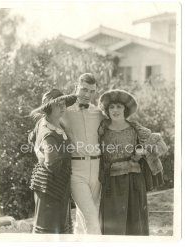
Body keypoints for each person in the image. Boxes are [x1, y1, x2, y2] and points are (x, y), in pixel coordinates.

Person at [97, 89, 168, 235]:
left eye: (119, 106)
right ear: (107, 109)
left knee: (135, 225)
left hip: (134, 182)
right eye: (111, 107)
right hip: (111, 183)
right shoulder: (101, 129)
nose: (115, 110)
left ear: (125, 109)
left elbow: (162, 147)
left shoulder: (136, 129)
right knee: (112, 226)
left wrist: (143, 151)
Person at [60, 73, 104, 234]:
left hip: (97, 168)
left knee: (85, 215)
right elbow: (45, 124)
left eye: (92, 91)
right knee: (92, 218)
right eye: (84, 89)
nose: (87, 94)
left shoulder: (99, 113)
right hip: (77, 169)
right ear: (76, 87)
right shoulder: (64, 112)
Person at [28, 89, 76, 234]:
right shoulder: (49, 134)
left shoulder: (47, 123)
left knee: (58, 229)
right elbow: (52, 165)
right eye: (58, 104)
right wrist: (44, 155)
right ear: (48, 108)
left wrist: (37, 151)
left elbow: (31, 138)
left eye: (63, 103)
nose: (63, 107)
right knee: (48, 231)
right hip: (50, 186)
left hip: (55, 184)